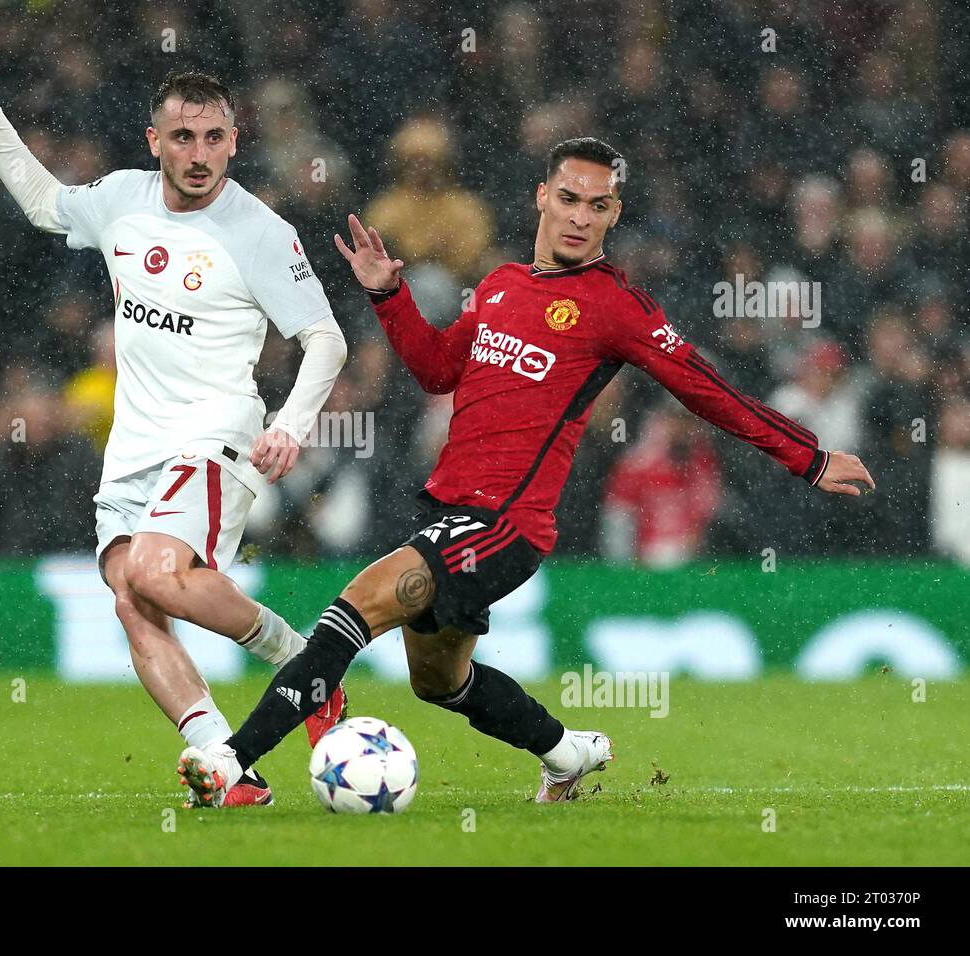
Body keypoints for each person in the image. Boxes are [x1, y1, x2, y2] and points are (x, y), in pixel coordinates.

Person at [179, 137, 876, 807]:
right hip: (450, 510)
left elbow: (704, 388)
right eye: (569, 198)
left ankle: (230, 759)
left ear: (614, 215)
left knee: (352, 608)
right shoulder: (501, 285)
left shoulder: (615, 306)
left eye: (597, 206)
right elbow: (436, 370)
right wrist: (389, 297)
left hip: (506, 523)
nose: (580, 216)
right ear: (542, 196)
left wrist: (808, 457)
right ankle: (568, 752)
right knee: (438, 681)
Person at [0, 43, 349, 806]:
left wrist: (292, 424)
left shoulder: (262, 231)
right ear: (154, 141)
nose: (199, 156)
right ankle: (227, 766)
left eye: (215, 139)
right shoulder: (121, 200)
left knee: (157, 573)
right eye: (183, 138)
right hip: (134, 444)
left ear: (235, 141)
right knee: (133, 599)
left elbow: (326, 338)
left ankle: (309, 667)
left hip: (218, 432)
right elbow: (40, 200)